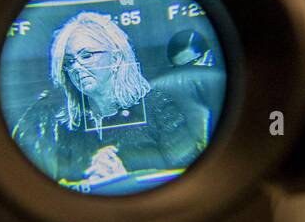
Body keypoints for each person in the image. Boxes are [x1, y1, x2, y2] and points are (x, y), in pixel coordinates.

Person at [11, 11, 207, 191]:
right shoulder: (65, 122)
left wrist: (127, 180)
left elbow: (192, 178)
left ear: (116, 58)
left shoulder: (158, 107)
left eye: (86, 56)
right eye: (69, 62)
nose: (76, 67)